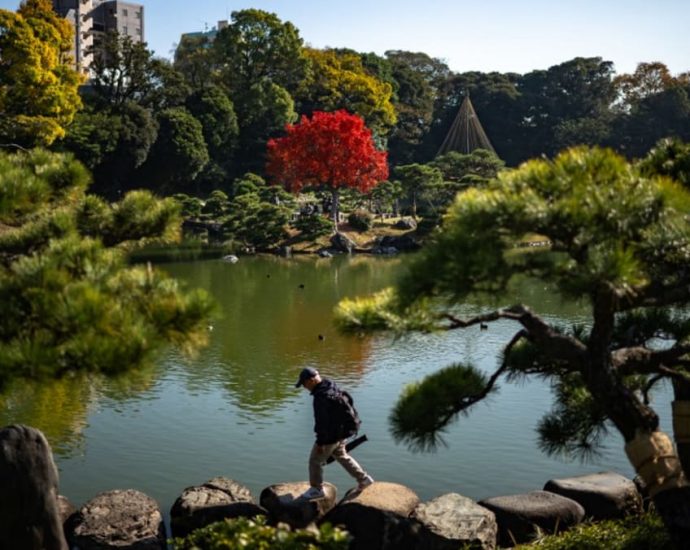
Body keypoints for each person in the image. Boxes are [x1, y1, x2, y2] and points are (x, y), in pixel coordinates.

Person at [295, 367, 374, 500]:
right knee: (341, 455)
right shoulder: (330, 385)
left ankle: (316, 489)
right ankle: (364, 479)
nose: (304, 386)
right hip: (342, 432)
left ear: (312, 380)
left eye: (304, 383)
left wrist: (320, 442)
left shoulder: (321, 397)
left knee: (315, 461)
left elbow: (322, 422)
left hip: (330, 436)